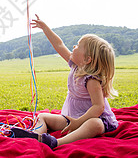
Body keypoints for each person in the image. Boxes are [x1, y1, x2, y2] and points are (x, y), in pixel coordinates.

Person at [11, 14, 118, 149]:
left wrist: (79, 122)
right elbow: (59, 45)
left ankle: (56, 142)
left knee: (94, 124)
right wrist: (45, 28)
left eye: (78, 46)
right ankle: (36, 136)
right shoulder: (75, 65)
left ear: (87, 59)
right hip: (73, 117)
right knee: (43, 116)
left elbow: (98, 107)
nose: (74, 46)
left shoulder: (92, 80)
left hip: (92, 119)